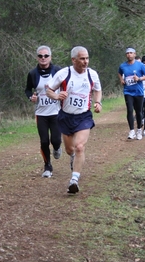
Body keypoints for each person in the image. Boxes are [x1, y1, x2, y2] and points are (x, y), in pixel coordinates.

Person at [46, 46, 102, 194]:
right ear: (74, 59)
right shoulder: (64, 74)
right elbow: (49, 90)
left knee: (79, 147)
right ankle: (73, 158)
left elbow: (97, 89)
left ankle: (74, 180)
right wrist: (57, 96)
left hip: (84, 116)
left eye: (87, 58)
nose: (85, 62)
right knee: (70, 149)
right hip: (65, 116)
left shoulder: (92, 74)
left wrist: (98, 102)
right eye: (82, 58)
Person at [25, 45, 62, 178]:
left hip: (56, 112)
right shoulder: (33, 73)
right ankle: (47, 166)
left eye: (46, 56)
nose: (43, 58)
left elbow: (66, 85)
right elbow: (28, 89)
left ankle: (57, 148)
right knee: (44, 141)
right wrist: (31, 97)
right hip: (41, 113)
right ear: (37, 57)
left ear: (50, 57)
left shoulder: (58, 71)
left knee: (56, 140)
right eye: (40, 56)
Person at [118, 47, 145, 140]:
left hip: (139, 92)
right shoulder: (123, 66)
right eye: (127, 53)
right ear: (126, 55)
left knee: (139, 112)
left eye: (131, 53)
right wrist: (121, 79)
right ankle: (131, 130)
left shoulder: (140, 65)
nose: (129, 55)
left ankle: (139, 130)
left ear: (134, 54)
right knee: (129, 110)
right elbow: (119, 73)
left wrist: (139, 79)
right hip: (128, 91)